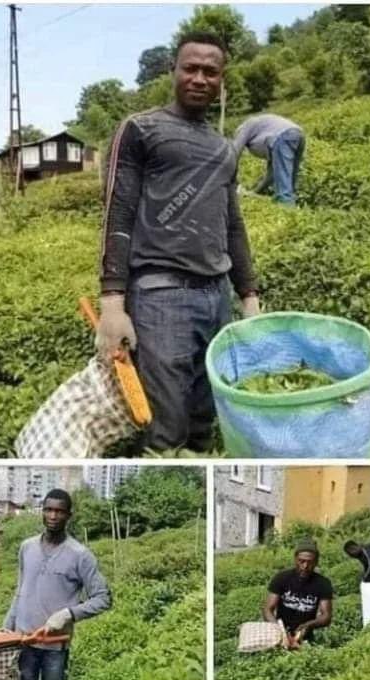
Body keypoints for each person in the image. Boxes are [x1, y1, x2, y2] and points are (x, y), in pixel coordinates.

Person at [97, 31, 260, 453]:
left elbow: (233, 225)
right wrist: (112, 306)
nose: (200, 78)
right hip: (161, 294)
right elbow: (118, 213)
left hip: (216, 295)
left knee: (205, 417)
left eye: (211, 71)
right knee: (165, 426)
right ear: (173, 70)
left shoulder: (224, 149)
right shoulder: (140, 130)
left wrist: (249, 296)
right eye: (191, 68)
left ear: (222, 80)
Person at [3, 489, 111, 680]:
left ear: (69, 516)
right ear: (42, 512)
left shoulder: (80, 555)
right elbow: (20, 590)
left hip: (55, 646)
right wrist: (6, 630)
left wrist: (68, 614)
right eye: (48, 510)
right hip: (24, 641)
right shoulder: (27, 547)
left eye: (59, 511)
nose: (53, 516)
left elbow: (103, 598)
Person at [263, 538, 332, 647]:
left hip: (305, 637)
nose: (305, 566)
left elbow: (326, 616)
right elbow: (268, 609)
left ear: (316, 562)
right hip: (278, 635)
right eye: (301, 561)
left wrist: (309, 625)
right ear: (295, 559)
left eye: (310, 562)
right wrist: (279, 630)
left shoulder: (323, 584)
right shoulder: (282, 578)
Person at [233, 113, 306, 205]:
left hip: (284, 136)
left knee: (284, 192)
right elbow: (271, 176)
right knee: (290, 182)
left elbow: (235, 152)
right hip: (298, 134)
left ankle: (287, 210)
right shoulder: (268, 134)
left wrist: (231, 179)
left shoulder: (247, 126)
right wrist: (255, 191)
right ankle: (293, 206)